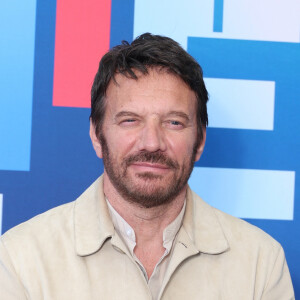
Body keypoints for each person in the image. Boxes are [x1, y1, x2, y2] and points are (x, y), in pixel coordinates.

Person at [0, 33, 294, 299]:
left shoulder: (260, 262)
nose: (152, 143)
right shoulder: (20, 259)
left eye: (174, 122)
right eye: (130, 120)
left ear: (200, 140)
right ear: (96, 135)